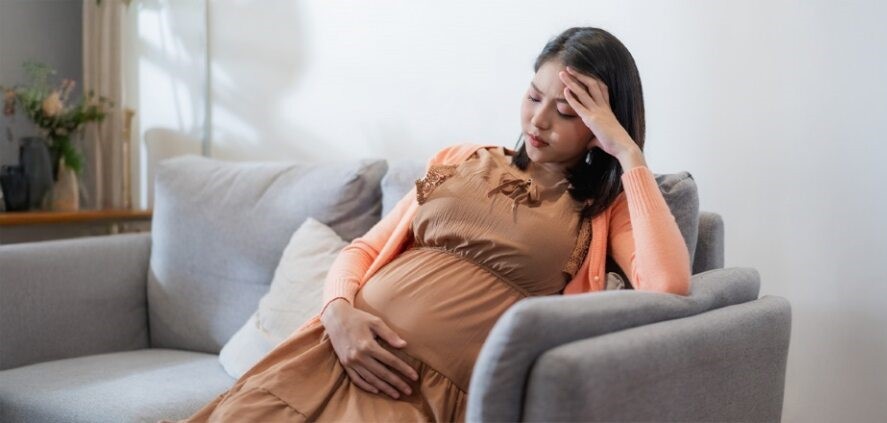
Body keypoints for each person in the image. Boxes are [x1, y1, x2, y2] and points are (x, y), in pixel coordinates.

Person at [169, 26, 691, 422]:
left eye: (567, 111)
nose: (538, 121)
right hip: (333, 350)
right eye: (534, 96)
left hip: (414, 393)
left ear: (605, 121)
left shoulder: (606, 206)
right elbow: (361, 251)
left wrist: (627, 152)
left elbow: (668, 287)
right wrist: (338, 314)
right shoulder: (460, 159)